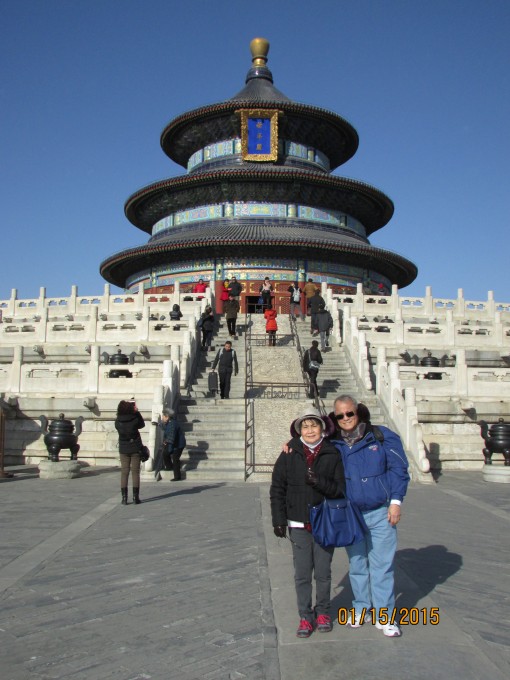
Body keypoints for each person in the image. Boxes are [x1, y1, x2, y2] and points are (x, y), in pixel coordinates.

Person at [331, 395, 410, 637]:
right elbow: (308, 447)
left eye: (349, 413)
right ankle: (361, 607)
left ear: (358, 412)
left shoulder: (380, 435)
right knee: (357, 564)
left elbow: (399, 469)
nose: (345, 418)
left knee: (382, 565)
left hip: (380, 511)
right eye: (340, 415)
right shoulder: (334, 443)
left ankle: (384, 615)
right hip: (351, 514)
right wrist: (290, 445)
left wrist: (396, 502)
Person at [270, 406, 345, 638]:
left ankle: (323, 611)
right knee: (302, 573)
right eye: (305, 425)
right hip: (298, 521)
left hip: (325, 521)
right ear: (298, 429)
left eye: (314, 425)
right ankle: (305, 615)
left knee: (323, 572)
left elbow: (340, 490)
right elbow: (278, 488)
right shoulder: (289, 453)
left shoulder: (332, 453)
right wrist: (278, 519)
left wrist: (319, 482)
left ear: (322, 428)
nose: (310, 430)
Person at [114, 400, 145, 505]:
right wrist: (137, 412)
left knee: (124, 472)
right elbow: (142, 424)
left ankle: (124, 498)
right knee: (135, 472)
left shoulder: (118, 421)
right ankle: (136, 497)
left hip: (123, 448)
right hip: (135, 447)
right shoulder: (135, 419)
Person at [158, 408, 187, 481]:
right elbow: (165, 427)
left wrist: (169, 450)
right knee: (165, 454)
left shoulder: (173, 424)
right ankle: (169, 467)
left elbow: (171, 439)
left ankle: (177, 476)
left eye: (163, 416)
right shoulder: (169, 423)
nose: (162, 417)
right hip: (174, 443)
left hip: (178, 444)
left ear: (167, 417)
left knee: (175, 458)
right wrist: (158, 424)